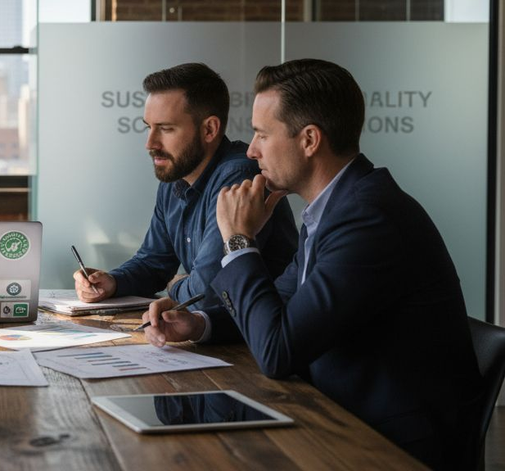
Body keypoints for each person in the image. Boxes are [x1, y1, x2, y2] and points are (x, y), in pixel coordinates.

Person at [141, 59, 479, 468]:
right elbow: (281, 310)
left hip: (386, 449)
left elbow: (279, 351)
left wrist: (238, 240)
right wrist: (199, 323)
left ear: (309, 140)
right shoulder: (334, 209)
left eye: (263, 135)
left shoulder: (367, 218)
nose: (251, 150)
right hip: (334, 420)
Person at [74, 63, 297, 308]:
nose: (150, 143)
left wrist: (175, 285)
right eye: (149, 128)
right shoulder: (176, 175)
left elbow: (207, 295)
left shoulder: (240, 175)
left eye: (166, 129)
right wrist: (113, 282)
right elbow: (154, 262)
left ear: (209, 129)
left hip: (255, 337)